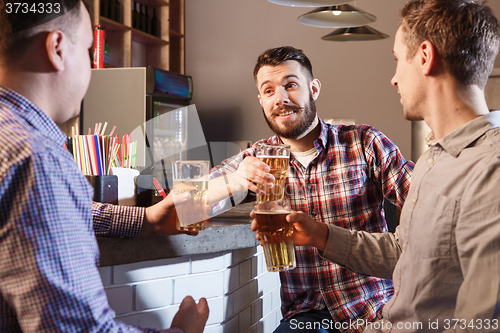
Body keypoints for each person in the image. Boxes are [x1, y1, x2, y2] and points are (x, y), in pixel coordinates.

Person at [261, 0, 500, 332]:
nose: (394, 79)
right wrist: (322, 235)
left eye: (397, 60)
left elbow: (483, 321)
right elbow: (406, 249)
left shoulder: (491, 169)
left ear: (426, 57)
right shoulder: (435, 158)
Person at [0, 0, 208, 332]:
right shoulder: (37, 158)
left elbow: (42, 212)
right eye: (86, 50)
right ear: (56, 49)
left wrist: (145, 220)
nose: (90, 70)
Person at [210, 45, 414, 332]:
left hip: (374, 309)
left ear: (313, 88)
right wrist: (234, 181)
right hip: (304, 319)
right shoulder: (256, 159)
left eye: (290, 85)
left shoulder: (364, 142)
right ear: (261, 100)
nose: (280, 98)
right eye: (268, 91)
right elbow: (184, 203)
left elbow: (423, 199)